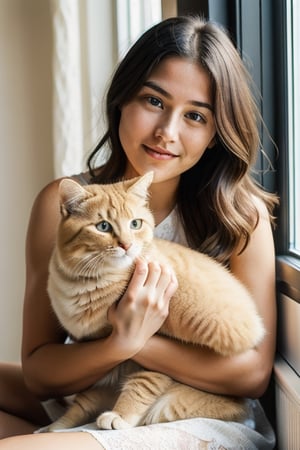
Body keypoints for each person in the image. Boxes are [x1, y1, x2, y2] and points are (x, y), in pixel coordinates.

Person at [0, 15, 277, 449]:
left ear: (215, 134)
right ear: (122, 98)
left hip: (191, 408)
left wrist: (134, 340)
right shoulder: (65, 201)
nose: (167, 132)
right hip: (98, 388)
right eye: (154, 101)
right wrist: (118, 345)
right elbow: (38, 372)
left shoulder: (241, 217)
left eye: (195, 116)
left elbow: (252, 374)